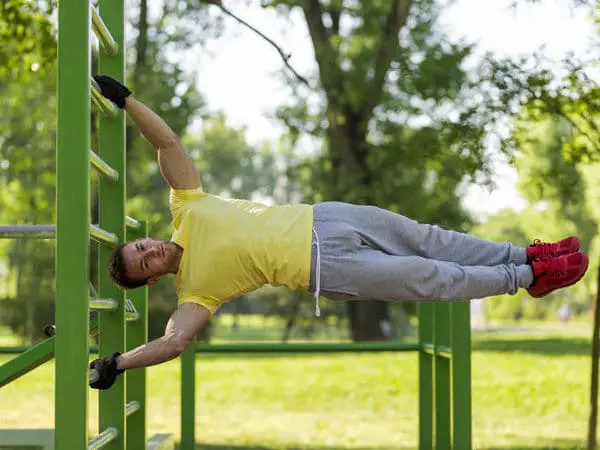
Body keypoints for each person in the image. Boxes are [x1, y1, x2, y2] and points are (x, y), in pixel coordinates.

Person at [88, 75, 589, 390]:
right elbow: (174, 343)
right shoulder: (196, 293)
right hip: (328, 268)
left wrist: (128, 100)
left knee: (432, 239)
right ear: (152, 279)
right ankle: (526, 277)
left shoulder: (186, 206)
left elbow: (168, 143)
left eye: (141, 245)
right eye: (145, 262)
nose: (150, 250)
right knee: (429, 276)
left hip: (327, 216)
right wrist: (120, 362)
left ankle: (529, 254)